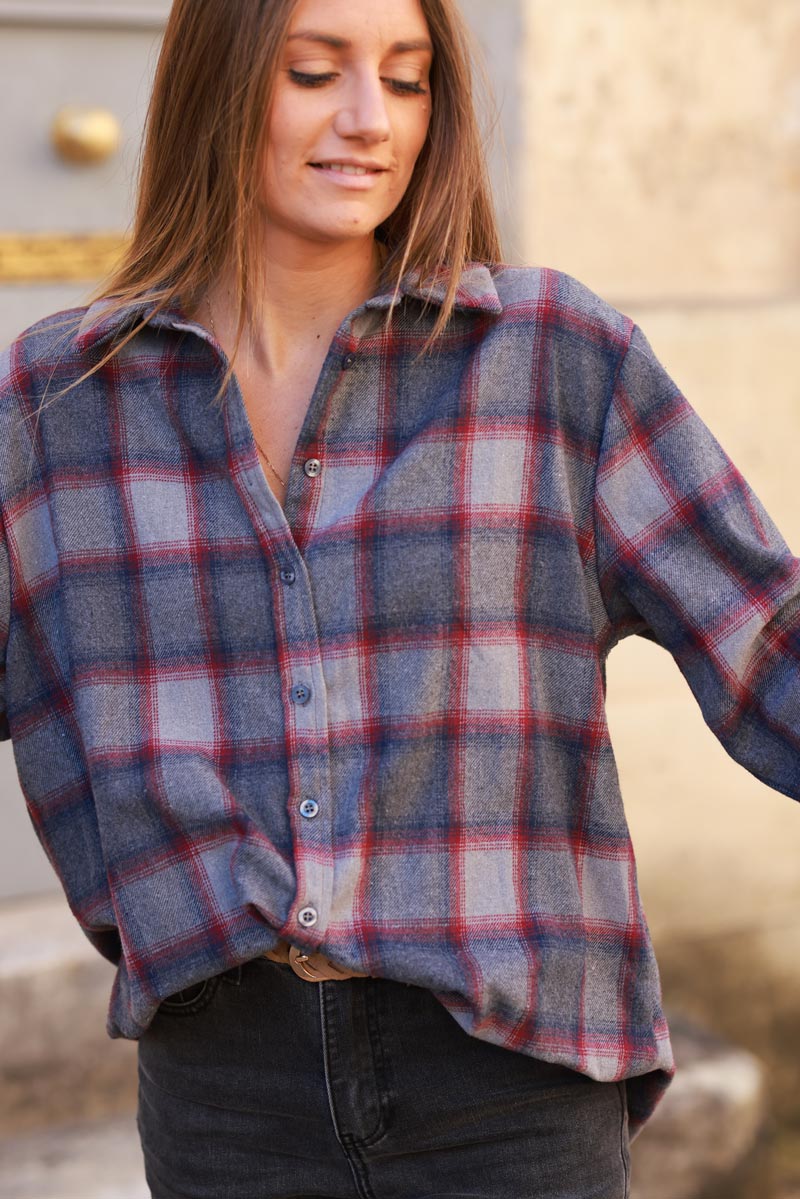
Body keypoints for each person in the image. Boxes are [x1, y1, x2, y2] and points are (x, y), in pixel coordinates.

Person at [1, 0, 797, 1195]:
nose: (371, 121)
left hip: (509, 1081)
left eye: (409, 80)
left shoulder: (549, 359)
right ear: (216, 87)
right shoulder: (59, 402)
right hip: (223, 1096)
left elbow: (767, 645)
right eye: (315, 73)